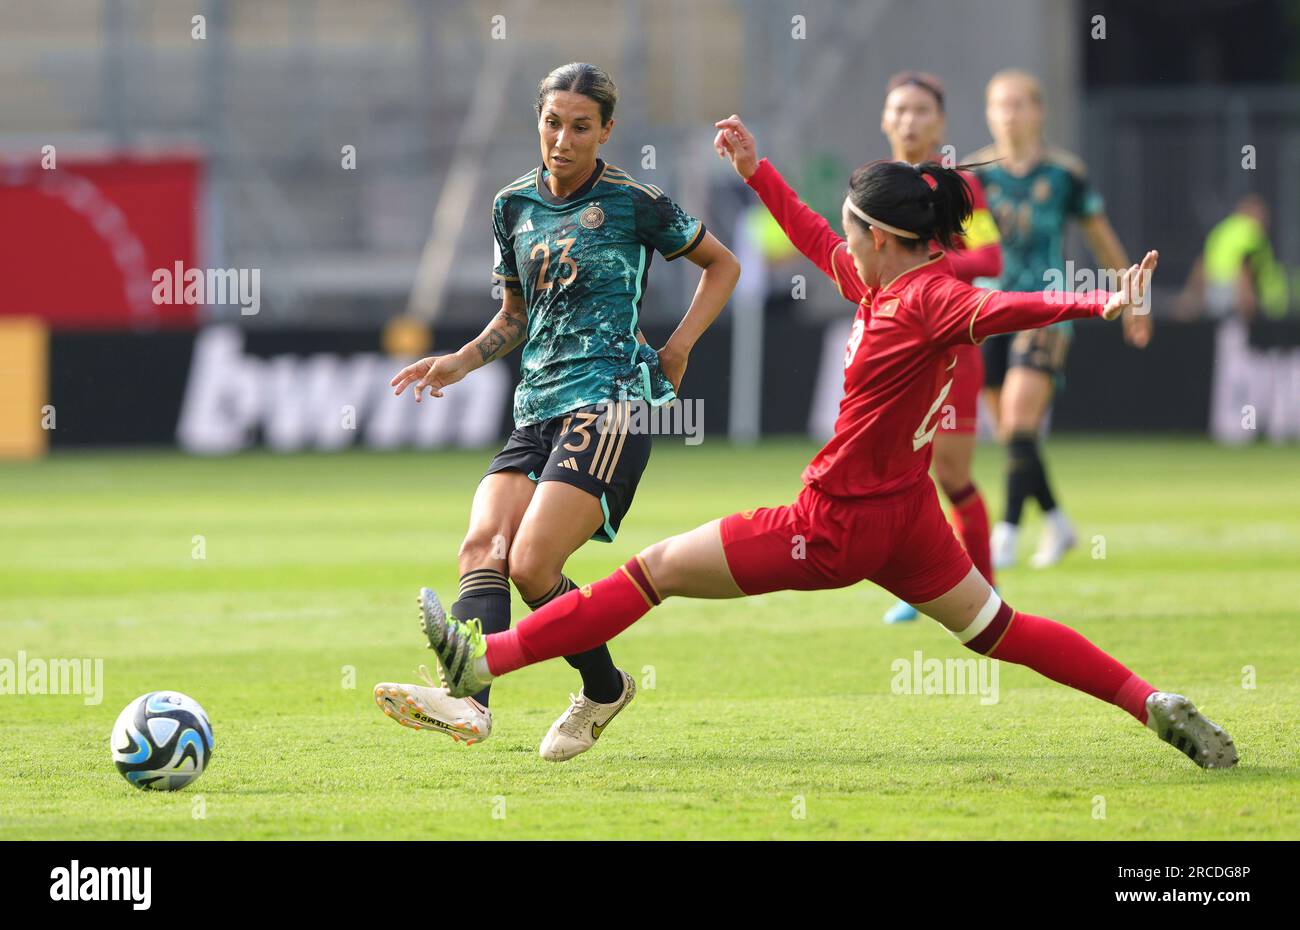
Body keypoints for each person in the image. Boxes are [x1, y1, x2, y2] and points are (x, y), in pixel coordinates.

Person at [414, 156, 1237, 772]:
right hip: (910, 523)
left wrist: (1097, 299)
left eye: (854, 233)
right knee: (1001, 630)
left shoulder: (930, 300)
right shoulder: (895, 283)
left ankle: (486, 659)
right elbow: (814, 237)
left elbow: (1005, 307)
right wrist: (757, 169)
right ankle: (1149, 701)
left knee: (652, 572)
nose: (842, 245)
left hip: (832, 528)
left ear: (881, 238)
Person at [374, 62, 740, 761]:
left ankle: (588, 689)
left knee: (534, 562)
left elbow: (723, 264)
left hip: (610, 403)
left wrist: (681, 346)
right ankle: (479, 704)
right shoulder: (511, 205)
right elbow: (515, 314)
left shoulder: (634, 201)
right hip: (536, 405)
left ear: (605, 131)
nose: (563, 139)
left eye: (580, 127)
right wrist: (461, 359)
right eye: (552, 122)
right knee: (484, 548)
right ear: (537, 121)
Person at [967, 69, 1152, 570]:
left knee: (1022, 418)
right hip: (985, 314)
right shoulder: (974, 175)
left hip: (1047, 310)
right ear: (988, 113)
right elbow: (957, 249)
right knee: (1010, 433)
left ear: (1038, 111)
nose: (1008, 114)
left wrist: (1135, 298)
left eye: (1018, 104)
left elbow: (1100, 236)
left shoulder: (1064, 174)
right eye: (999, 105)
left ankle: (1004, 535)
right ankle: (1058, 523)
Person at [866, 70, 1002, 623]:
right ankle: (919, 588)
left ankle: (986, 595)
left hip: (949, 347)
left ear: (940, 122)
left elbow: (990, 260)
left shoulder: (959, 186)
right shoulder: (871, 185)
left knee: (950, 475)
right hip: (892, 354)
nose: (909, 120)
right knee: (898, 475)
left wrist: (929, 265)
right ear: (884, 118)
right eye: (899, 110)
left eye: (921, 111)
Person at [1178, 193, 1289, 322]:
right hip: (1242, 305)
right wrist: (1248, 305)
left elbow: (1202, 263)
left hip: (1216, 298)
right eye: (1261, 213)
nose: (1266, 219)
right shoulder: (1249, 231)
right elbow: (1245, 267)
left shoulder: (1221, 230)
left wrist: (1190, 299)